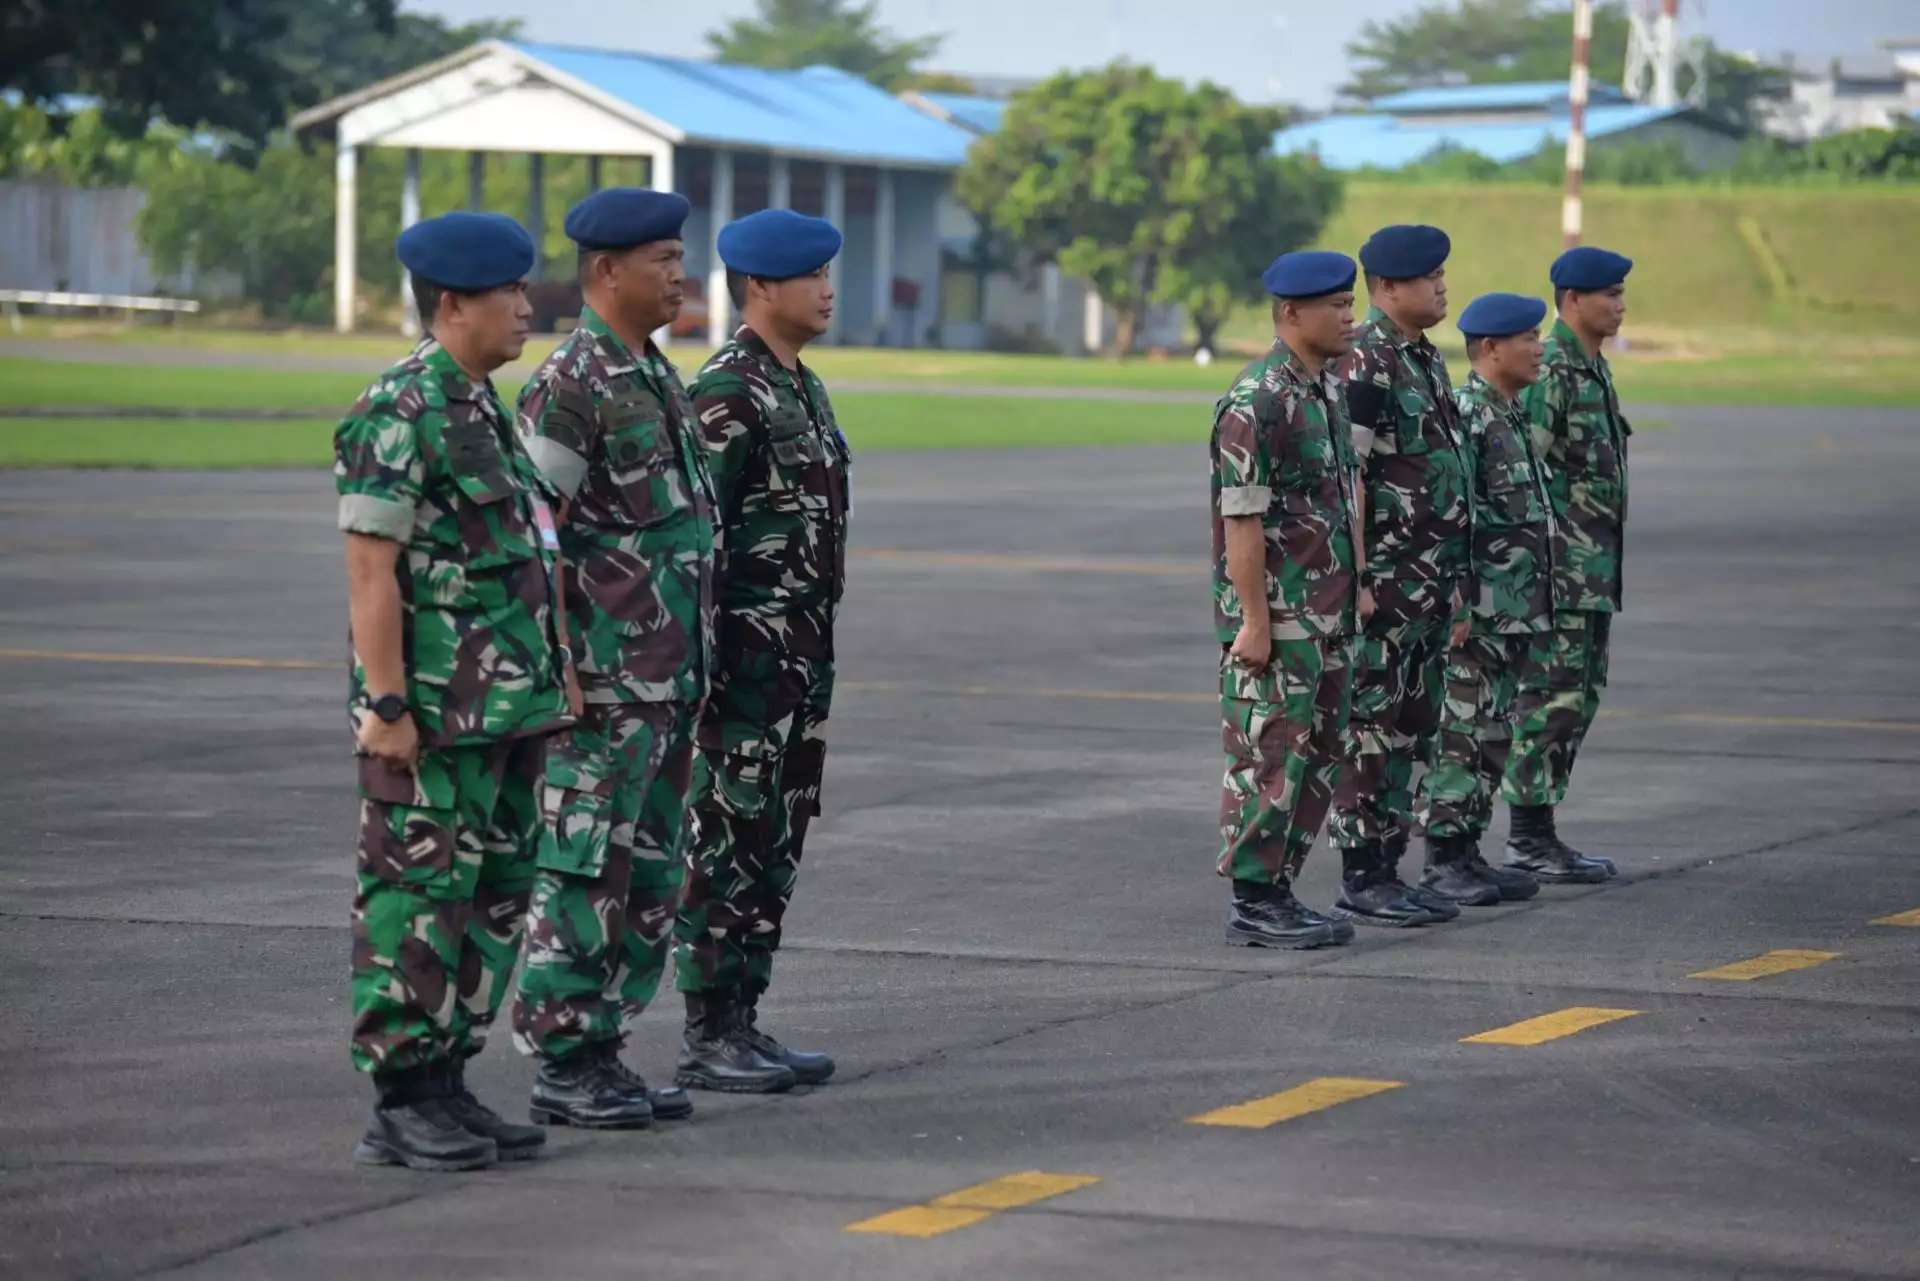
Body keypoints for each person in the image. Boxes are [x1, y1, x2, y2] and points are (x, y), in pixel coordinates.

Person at [335, 211, 568, 1171]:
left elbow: (530, 558)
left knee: (492, 897)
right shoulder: (400, 408)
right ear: (453, 302)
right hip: (432, 718)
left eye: (526, 290)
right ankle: (399, 1096)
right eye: (509, 293)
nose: (526, 308)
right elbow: (369, 572)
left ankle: (446, 1080)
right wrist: (386, 706)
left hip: (508, 712)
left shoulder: (483, 410)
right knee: (417, 896)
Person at [509, 188, 718, 1128]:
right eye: (664, 258)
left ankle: (602, 1048)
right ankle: (565, 1056)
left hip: (666, 678)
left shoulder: (655, 375)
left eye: (680, 256)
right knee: (587, 868)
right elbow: (534, 541)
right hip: (600, 682)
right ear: (607, 271)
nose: (680, 273)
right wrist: (559, 668)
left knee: (648, 872)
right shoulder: (571, 384)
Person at [672, 208, 849, 1091]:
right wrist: (701, 671)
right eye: (809, 275)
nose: (826, 289)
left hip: (797, 666)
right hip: (742, 669)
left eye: (828, 272)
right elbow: (696, 544)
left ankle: (743, 1014)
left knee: (775, 839)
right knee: (725, 839)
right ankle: (707, 1028)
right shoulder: (727, 394)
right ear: (758, 288)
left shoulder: (801, 386)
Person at [1212, 250, 1368, 950]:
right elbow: (1240, 520)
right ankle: (1254, 895)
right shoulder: (1259, 399)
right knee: (1272, 753)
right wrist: (1253, 619)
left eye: (1349, 302)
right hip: (1280, 612)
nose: (1348, 315)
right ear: (1290, 314)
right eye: (1334, 305)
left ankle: (1281, 887)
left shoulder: (1327, 387)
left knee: (1319, 755)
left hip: (1329, 606)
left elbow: (1344, 497)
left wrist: (1359, 586)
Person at [1327, 225, 1474, 925]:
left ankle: (1390, 862)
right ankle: (1361, 870)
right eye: (1428, 277)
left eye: (1443, 274)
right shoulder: (1367, 361)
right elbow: (1347, 473)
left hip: (1429, 585)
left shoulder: (1423, 357)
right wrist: (1357, 576)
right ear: (1386, 288)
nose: (1442, 286)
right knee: (1370, 727)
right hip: (1386, 584)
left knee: (1413, 726)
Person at [1413, 294, 1557, 902]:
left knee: (1493, 731)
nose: (1539, 347)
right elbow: (1452, 519)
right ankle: (1443, 857)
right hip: (1481, 613)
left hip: (1515, 609)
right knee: (1461, 729)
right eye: (1528, 337)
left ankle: (1468, 848)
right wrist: (1461, 604)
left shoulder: (1512, 412)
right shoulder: (1469, 415)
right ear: (1491, 349)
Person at [1499, 247, 1633, 882]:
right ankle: (1527, 837)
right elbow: (1521, 464)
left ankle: (1540, 832)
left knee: (1577, 700)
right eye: (1609, 293)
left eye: (1622, 292)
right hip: (1560, 573)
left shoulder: (1592, 367)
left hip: (1592, 572)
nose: (1620, 303)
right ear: (1573, 300)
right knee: (1549, 703)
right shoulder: (1552, 368)